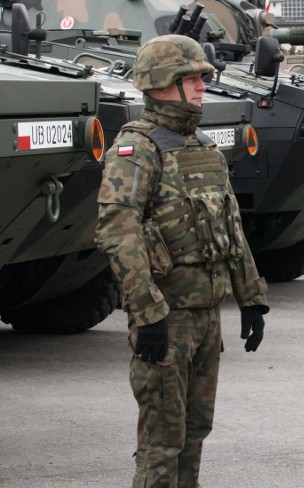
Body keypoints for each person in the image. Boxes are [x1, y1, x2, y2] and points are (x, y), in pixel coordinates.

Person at [95, 34, 269, 487]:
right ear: (158, 84)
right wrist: (147, 311)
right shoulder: (138, 150)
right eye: (188, 79)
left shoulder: (202, 147)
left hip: (207, 317)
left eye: (202, 78)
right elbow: (118, 230)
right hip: (167, 319)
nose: (200, 88)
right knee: (162, 439)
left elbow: (230, 225)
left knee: (195, 431)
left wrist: (251, 298)